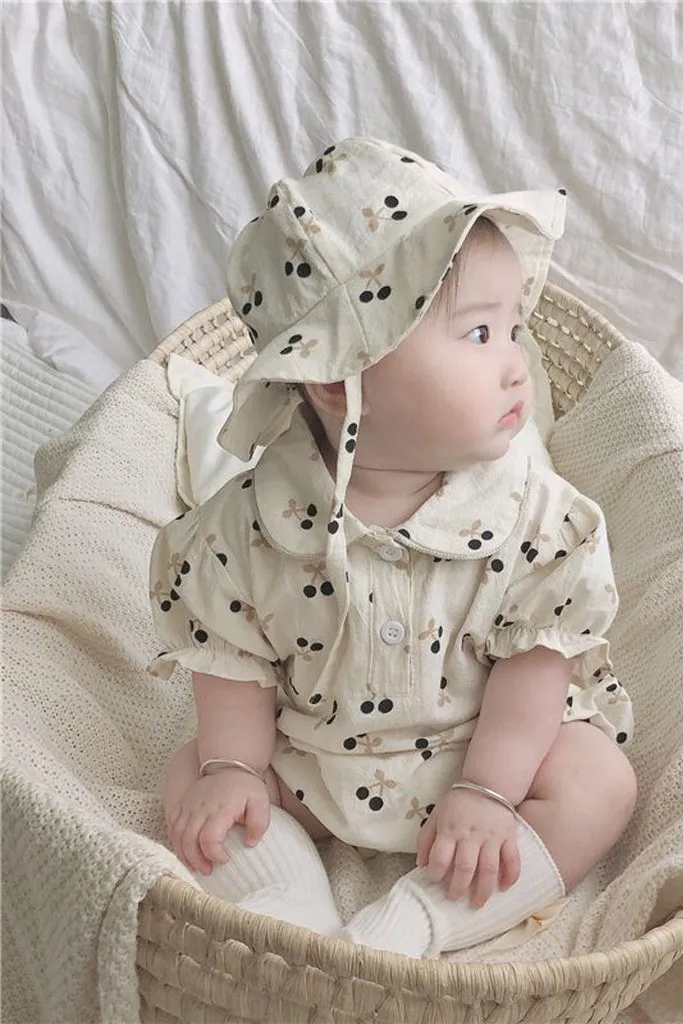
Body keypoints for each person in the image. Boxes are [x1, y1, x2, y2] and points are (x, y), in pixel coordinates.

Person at [149, 137, 636, 958]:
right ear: (340, 381)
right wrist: (235, 768)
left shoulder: (535, 518)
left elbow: (536, 666)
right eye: (479, 335)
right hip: (309, 758)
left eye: (513, 328)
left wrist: (488, 789)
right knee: (195, 778)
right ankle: (287, 912)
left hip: (480, 759)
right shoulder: (252, 526)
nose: (520, 366)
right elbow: (228, 655)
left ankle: (417, 923)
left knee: (599, 782)